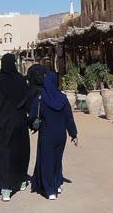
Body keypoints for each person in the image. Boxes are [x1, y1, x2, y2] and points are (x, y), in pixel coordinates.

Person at [0, 53, 31, 201]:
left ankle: (5, 188)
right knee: (20, 152)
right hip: (20, 123)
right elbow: (28, 100)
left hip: (2, 123)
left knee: (2, 152)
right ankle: (21, 180)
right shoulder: (21, 80)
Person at [28, 71, 78, 200]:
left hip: (47, 135)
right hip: (61, 136)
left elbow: (33, 115)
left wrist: (32, 126)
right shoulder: (63, 98)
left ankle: (50, 190)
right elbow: (69, 118)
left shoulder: (41, 98)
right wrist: (74, 134)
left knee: (47, 162)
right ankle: (56, 184)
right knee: (57, 160)